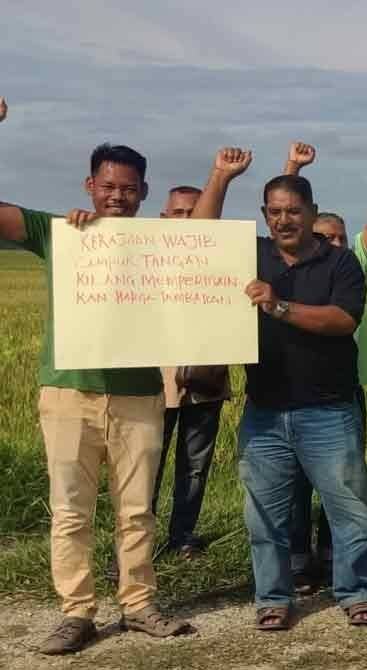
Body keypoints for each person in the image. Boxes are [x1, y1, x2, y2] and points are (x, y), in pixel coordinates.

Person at [0, 135, 245, 653]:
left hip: (138, 394)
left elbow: (201, 237)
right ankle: (77, 612)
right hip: (69, 392)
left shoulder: (156, 241)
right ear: (90, 186)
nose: (117, 196)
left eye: (128, 189)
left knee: (136, 509)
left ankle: (138, 604)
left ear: (143, 192)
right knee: (71, 510)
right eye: (108, 185)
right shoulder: (60, 231)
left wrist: (218, 177)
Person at [198, 162, 367, 630]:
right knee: (265, 518)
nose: (284, 221)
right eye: (275, 212)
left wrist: (278, 307)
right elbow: (198, 241)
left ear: (311, 212)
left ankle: (357, 591)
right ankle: (273, 598)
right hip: (265, 410)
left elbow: (343, 320)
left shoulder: (341, 263)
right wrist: (221, 178)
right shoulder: (251, 255)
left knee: (350, 511)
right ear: (264, 215)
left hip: (329, 411)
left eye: (294, 211)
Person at [282, 142, 367, 592]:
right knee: (294, 483)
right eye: (324, 236)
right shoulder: (295, 267)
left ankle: (332, 554)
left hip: (343, 391)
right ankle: (297, 558)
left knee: (342, 480)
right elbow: (283, 216)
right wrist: (292, 168)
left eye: (339, 237)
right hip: (293, 387)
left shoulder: (354, 267)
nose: (332, 243)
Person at [153, 186, 231, 559]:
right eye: (180, 213)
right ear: (164, 219)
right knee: (145, 468)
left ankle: (182, 537)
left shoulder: (224, 263)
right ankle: (137, 545)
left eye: (195, 212)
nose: (188, 220)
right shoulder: (147, 261)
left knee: (195, 467)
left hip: (207, 383)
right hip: (154, 383)